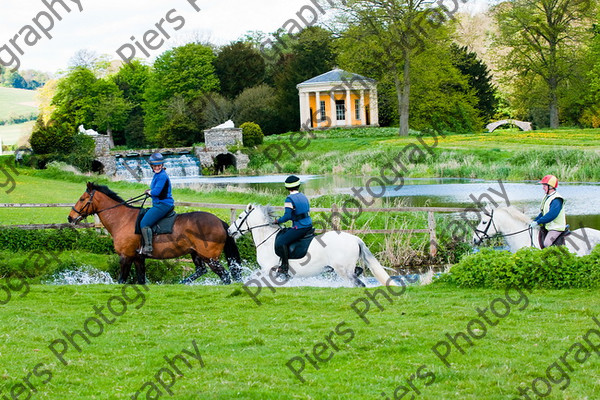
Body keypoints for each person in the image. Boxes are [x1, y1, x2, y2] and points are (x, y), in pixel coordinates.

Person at [273, 175, 313, 277]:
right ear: (298, 186)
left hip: (300, 227)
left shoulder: (289, 199)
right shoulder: (303, 196)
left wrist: (278, 221)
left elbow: (287, 216)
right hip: (308, 225)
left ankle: (285, 267)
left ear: (287, 187)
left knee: (281, 241)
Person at [139, 153, 174, 255]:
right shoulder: (157, 175)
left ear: (162, 165)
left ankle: (148, 248)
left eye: (159, 165)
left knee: (144, 224)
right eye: (155, 166)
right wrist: (150, 191)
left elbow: (156, 192)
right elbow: (157, 190)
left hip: (163, 205)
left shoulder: (162, 176)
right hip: (159, 203)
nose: (157, 167)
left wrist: (150, 192)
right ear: (152, 166)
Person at [529, 174, 567, 248]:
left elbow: (551, 215)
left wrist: (538, 222)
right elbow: (543, 213)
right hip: (548, 227)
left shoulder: (557, 199)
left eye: (544, 186)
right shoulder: (547, 197)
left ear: (551, 186)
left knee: (546, 243)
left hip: (556, 228)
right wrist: (534, 221)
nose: (543, 188)